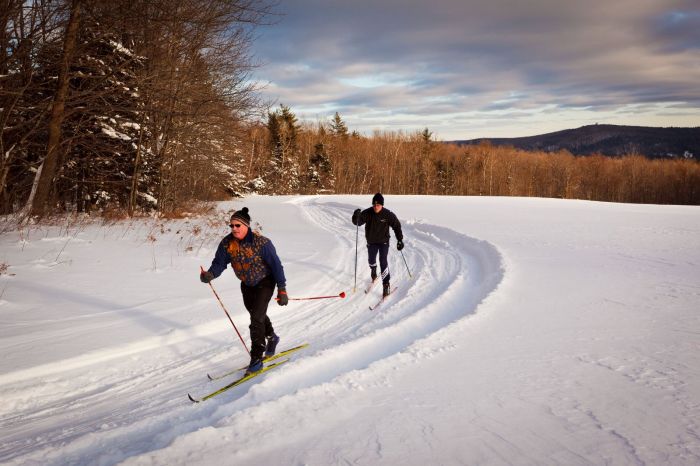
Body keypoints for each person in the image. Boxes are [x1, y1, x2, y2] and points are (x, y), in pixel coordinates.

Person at [200, 207, 288, 375]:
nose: (234, 228)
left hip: (265, 281)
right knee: (257, 314)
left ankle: (256, 358)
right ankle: (272, 337)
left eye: (237, 225)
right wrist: (210, 274)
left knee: (256, 319)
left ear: (246, 225)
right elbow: (219, 262)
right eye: (231, 225)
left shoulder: (262, 243)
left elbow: (276, 266)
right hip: (246, 284)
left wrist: (282, 289)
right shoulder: (227, 243)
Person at [352, 193, 404, 297]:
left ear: (382, 205)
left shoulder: (388, 214)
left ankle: (386, 285)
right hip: (371, 242)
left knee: (383, 261)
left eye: (378, 205)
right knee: (371, 260)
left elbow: (397, 226)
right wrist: (355, 215)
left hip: (383, 242)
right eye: (374, 205)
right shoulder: (368, 212)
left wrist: (400, 240)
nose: (376, 207)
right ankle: (373, 270)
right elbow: (357, 222)